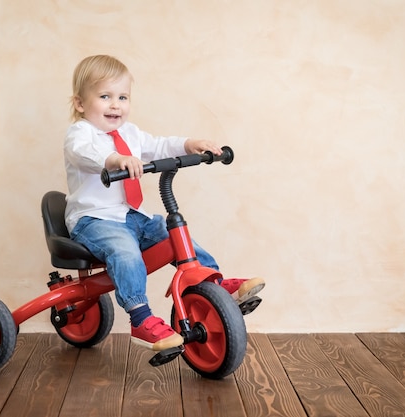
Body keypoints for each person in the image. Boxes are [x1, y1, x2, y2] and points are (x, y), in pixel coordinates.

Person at [63, 55, 265, 351]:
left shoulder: (130, 133)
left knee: (172, 232)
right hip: (94, 220)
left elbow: (156, 145)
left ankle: (214, 284)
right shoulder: (80, 133)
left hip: (132, 215)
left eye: (122, 97)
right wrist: (115, 160)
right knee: (125, 252)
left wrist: (188, 144)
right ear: (81, 103)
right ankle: (140, 318)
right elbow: (83, 153)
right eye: (105, 97)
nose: (115, 105)